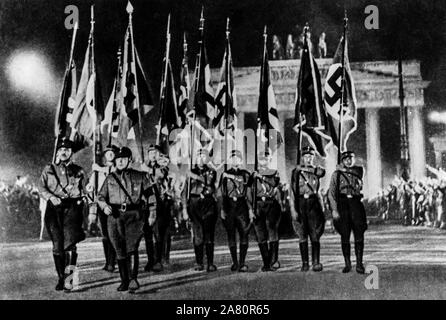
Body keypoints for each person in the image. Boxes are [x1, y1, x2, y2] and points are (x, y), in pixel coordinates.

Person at [97, 147, 157, 292]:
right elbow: (100, 196)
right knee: (119, 250)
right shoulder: (110, 178)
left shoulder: (141, 176)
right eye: (118, 159)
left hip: (134, 216)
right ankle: (124, 280)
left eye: (124, 158)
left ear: (130, 160)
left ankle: (133, 279)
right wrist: (104, 206)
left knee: (132, 247)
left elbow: (151, 196)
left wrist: (152, 213)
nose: (120, 161)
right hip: (115, 217)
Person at [39, 137, 86, 291]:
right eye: (61, 150)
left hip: (72, 209)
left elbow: (85, 191)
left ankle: (69, 280)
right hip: (54, 210)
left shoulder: (78, 170)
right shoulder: (49, 169)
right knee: (57, 246)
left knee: (70, 245)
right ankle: (61, 278)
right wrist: (51, 197)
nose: (63, 152)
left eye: (67, 150)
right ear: (57, 153)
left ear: (71, 152)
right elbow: (41, 187)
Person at [328, 150, 367, 274]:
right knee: (345, 234)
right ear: (342, 161)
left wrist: (343, 170)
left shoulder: (359, 170)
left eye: (351, 159)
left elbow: (358, 173)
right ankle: (347, 263)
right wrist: (334, 209)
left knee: (359, 233)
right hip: (343, 205)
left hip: (356, 203)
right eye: (346, 159)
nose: (348, 161)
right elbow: (332, 193)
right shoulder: (336, 174)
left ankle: (359, 264)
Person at [289, 146, 325, 272]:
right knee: (302, 234)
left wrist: (302, 168)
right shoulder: (295, 172)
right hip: (300, 204)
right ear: (302, 157)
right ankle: (305, 263)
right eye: (306, 156)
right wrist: (293, 209)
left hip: (313, 204)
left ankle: (316, 262)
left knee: (315, 233)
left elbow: (321, 173)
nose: (308, 159)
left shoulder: (317, 170)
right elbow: (292, 192)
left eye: (310, 156)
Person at [182, 148, 218, 272]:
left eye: (203, 157)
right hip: (194, 204)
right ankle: (199, 262)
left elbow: (208, 182)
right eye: (198, 157)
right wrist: (184, 210)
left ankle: (210, 262)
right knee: (198, 235)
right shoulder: (190, 172)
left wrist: (195, 176)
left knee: (208, 235)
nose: (201, 159)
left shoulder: (211, 172)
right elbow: (185, 192)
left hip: (208, 205)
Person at [218, 150, 254, 272]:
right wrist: (222, 208)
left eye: (237, 158)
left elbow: (245, 186)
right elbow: (222, 193)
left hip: (242, 205)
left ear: (241, 160)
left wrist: (250, 209)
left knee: (244, 234)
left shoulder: (245, 174)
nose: (235, 161)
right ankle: (235, 262)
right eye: (232, 158)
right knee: (231, 235)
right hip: (229, 206)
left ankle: (243, 262)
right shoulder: (224, 174)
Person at [86, 145, 118, 272]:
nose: (110, 154)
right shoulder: (97, 173)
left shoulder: (117, 169)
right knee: (105, 235)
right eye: (108, 153)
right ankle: (109, 261)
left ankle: (114, 260)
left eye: (112, 153)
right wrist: (92, 210)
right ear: (104, 156)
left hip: (115, 205)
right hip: (101, 205)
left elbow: (113, 173)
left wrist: (99, 168)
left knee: (114, 234)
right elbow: (91, 191)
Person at [251, 150, 282, 271]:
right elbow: (249, 191)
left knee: (272, 230)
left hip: (271, 203)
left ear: (270, 160)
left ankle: (273, 260)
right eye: (262, 159)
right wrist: (250, 207)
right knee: (260, 233)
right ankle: (266, 262)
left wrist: (261, 177)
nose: (264, 161)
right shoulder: (254, 173)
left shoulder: (274, 172)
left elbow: (274, 184)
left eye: (266, 159)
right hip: (258, 204)